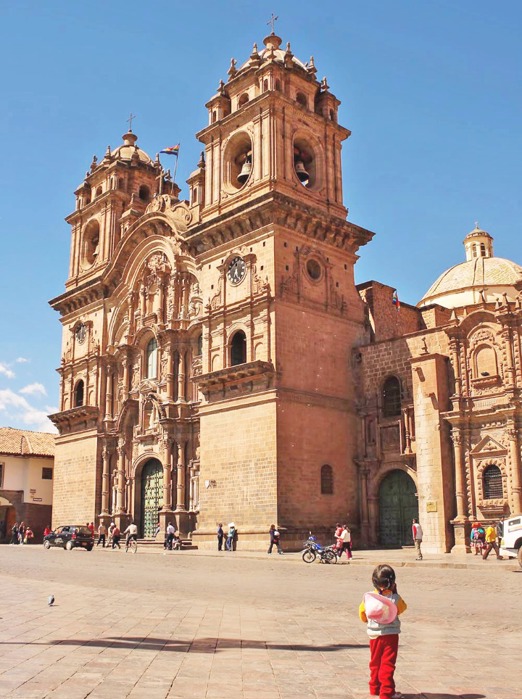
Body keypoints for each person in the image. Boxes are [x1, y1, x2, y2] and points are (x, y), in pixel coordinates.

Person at [359, 564, 407, 699]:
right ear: (392, 583)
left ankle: (374, 687)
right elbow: (402, 608)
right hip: (390, 636)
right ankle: (387, 692)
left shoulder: (368, 597)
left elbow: (362, 614)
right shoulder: (395, 599)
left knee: (375, 662)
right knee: (388, 663)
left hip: (374, 635)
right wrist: (396, 593)